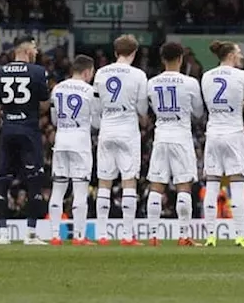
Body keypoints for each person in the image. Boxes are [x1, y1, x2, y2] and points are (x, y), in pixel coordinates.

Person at [0, 36, 50, 245]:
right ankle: (31, 234)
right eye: (34, 48)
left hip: (8, 129)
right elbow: (44, 105)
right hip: (29, 130)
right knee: (34, 179)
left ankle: (2, 234)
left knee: (3, 180)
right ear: (26, 50)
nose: (36, 52)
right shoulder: (37, 72)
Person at [145, 42, 204, 247]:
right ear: (181, 59)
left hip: (161, 135)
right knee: (183, 185)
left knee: (156, 185)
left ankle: (153, 235)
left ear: (162, 59)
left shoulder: (151, 82)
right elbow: (198, 112)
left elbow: (148, 109)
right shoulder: (190, 83)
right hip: (181, 136)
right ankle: (183, 235)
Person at [94, 34, 148, 246]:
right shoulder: (138, 75)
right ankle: (126, 235)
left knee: (104, 182)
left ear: (116, 52)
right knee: (129, 181)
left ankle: (102, 234)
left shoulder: (101, 73)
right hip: (128, 128)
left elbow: (96, 107)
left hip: (107, 127)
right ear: (133, 53)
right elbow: (143, 109)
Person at [201, 39, 244, 247]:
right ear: (231, 55)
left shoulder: (206, 76)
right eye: (239, 53)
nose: (241, 56)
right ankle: (240, 236)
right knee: (238, 184)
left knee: (212, 184)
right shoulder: (242, 76)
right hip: (233, 133)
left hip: (213, 133)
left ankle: (210, 237)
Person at [48, 55, 98, 246]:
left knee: (58, 188)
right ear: (87, 72)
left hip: (61, 140)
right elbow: (95, 121)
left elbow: (53, 119)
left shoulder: (58, 88)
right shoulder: (89, 90)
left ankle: (54, 235)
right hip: (80, 142)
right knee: (80, 189)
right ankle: (78, 236)